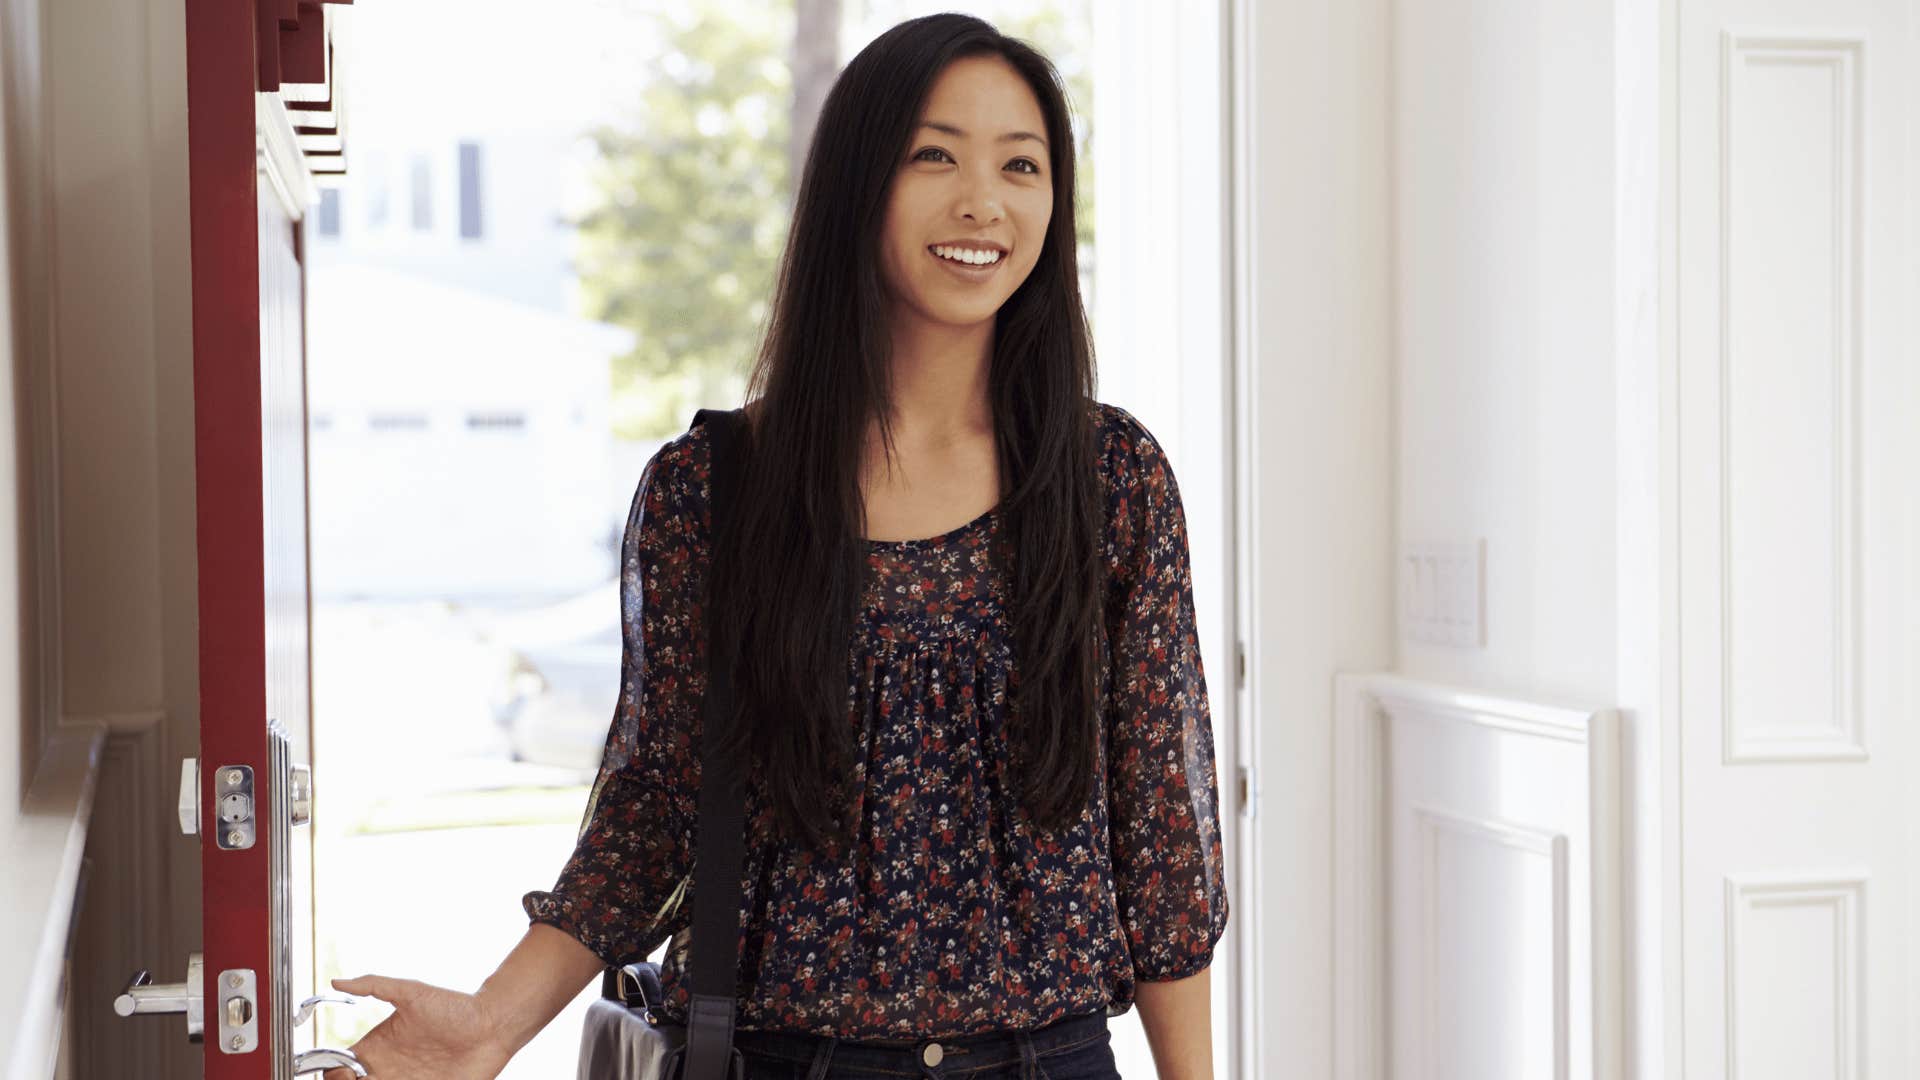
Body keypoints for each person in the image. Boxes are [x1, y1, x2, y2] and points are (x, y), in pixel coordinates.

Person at [324, 13, 1227, 1080]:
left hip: (1050, 1058)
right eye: (933, 155)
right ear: (856, 185)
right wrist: (491, 1023)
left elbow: (1162, 843)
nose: (983, 200)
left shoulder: (1110, 481)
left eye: (1020, 165)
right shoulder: (714, 491)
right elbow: (653, 812)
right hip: (778, 1061)